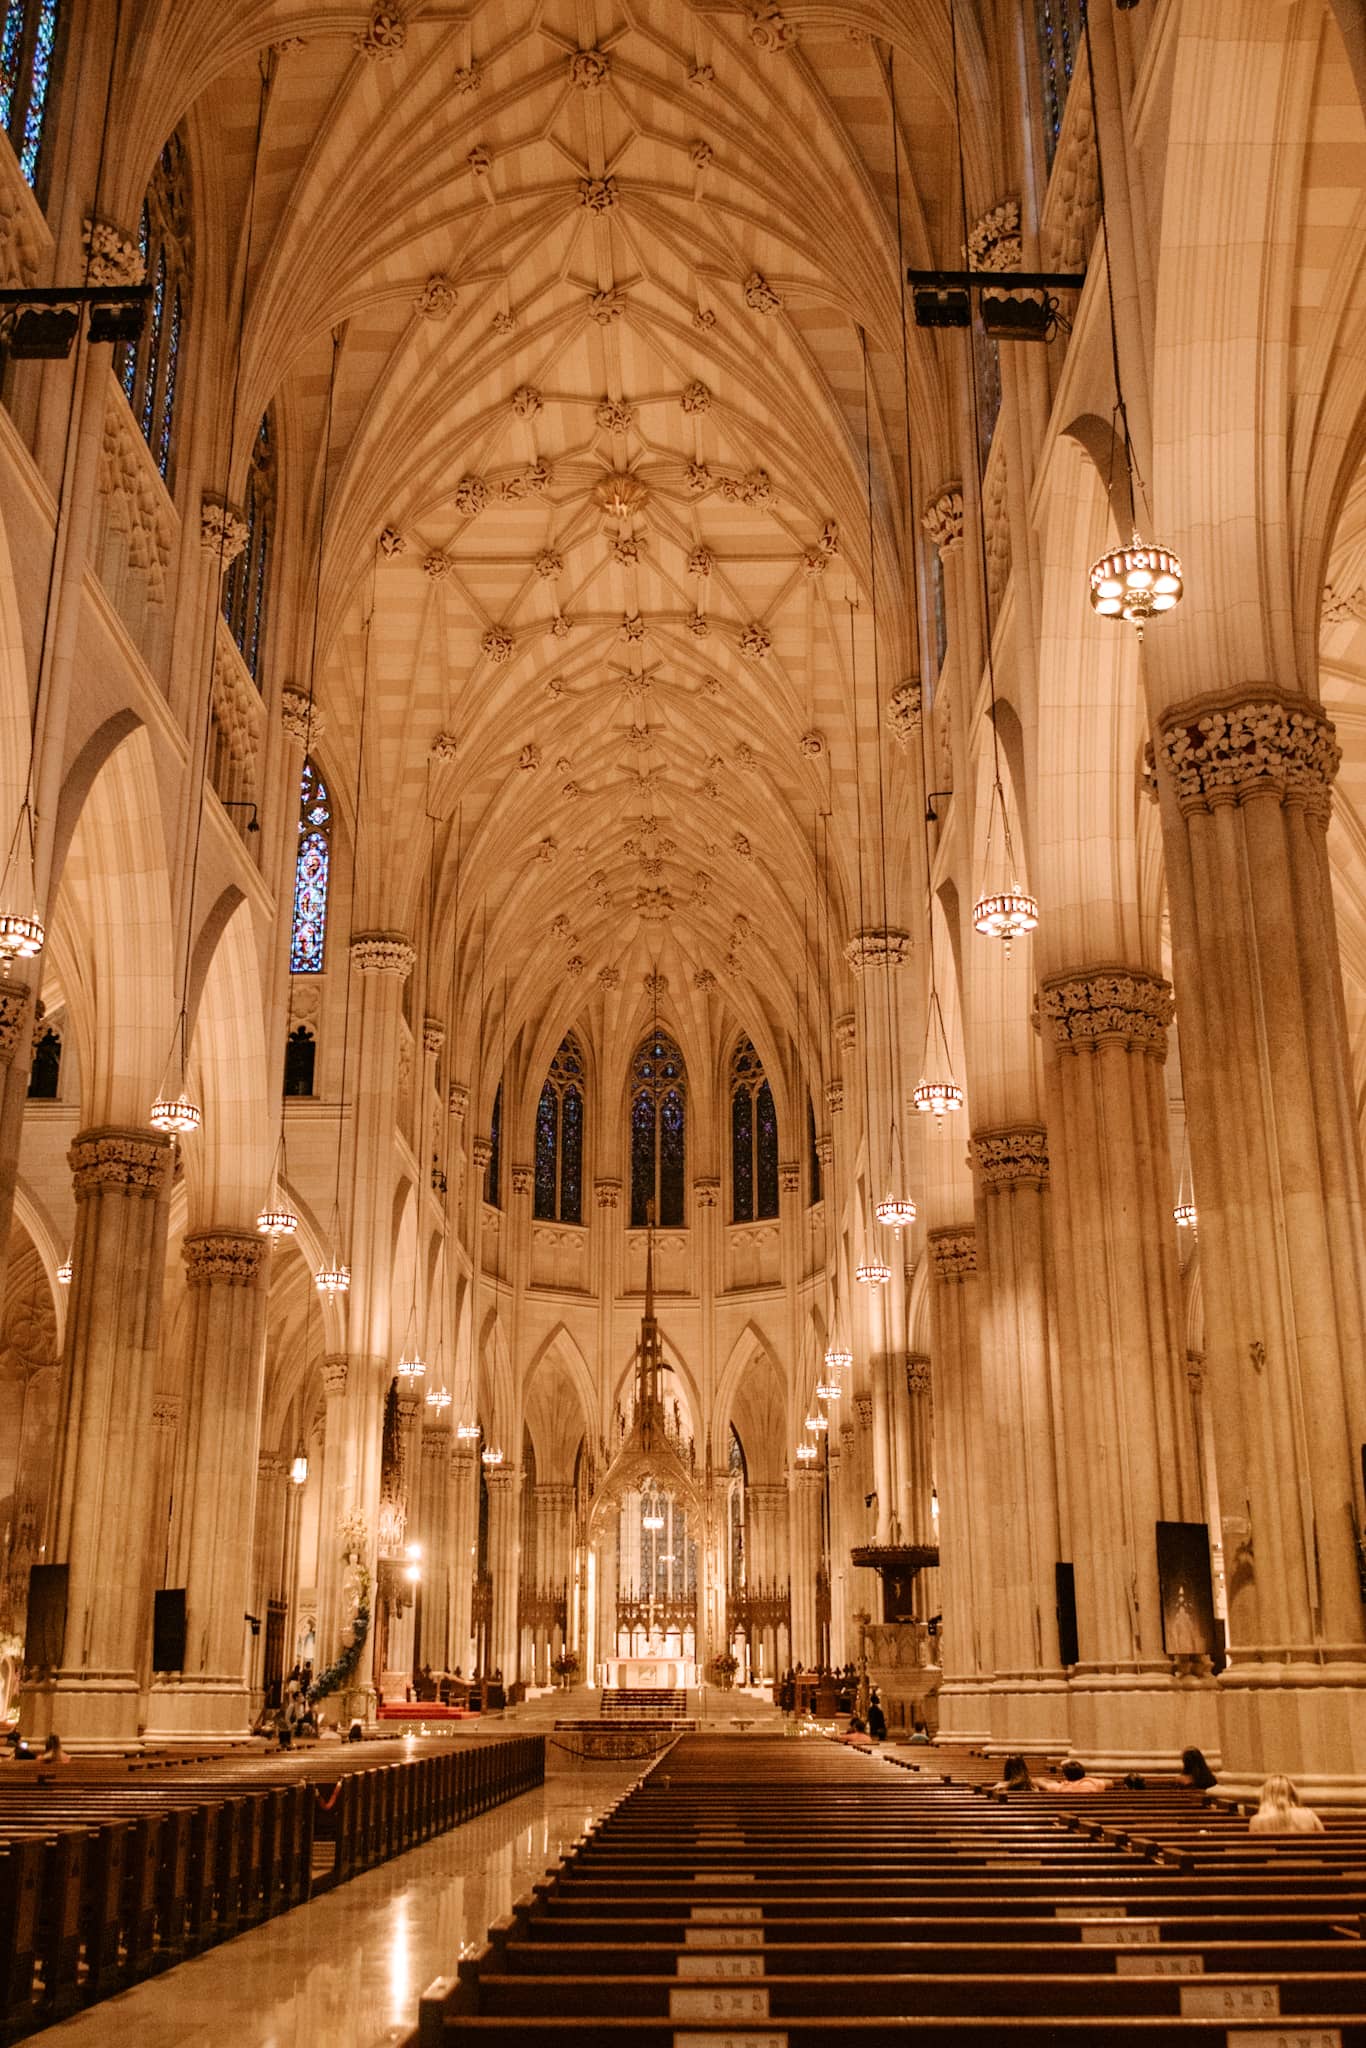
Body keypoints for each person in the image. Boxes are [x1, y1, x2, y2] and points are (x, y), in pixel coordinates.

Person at [1249, 1774, 1324, 1834]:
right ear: (1292, 1794)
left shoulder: (1256, 1821)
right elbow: (1323, 1841)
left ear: (1265, 1795)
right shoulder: (1308, 1814)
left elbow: (1255, 1850)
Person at [1040, 1759, 1112, 1793]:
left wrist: (1055, 1782)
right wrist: (1090, 1779)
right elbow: (1110, 1782)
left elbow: (1039, 1782)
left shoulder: (1060, 1788)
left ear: (1065, 1776)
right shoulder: (1092, 1784)